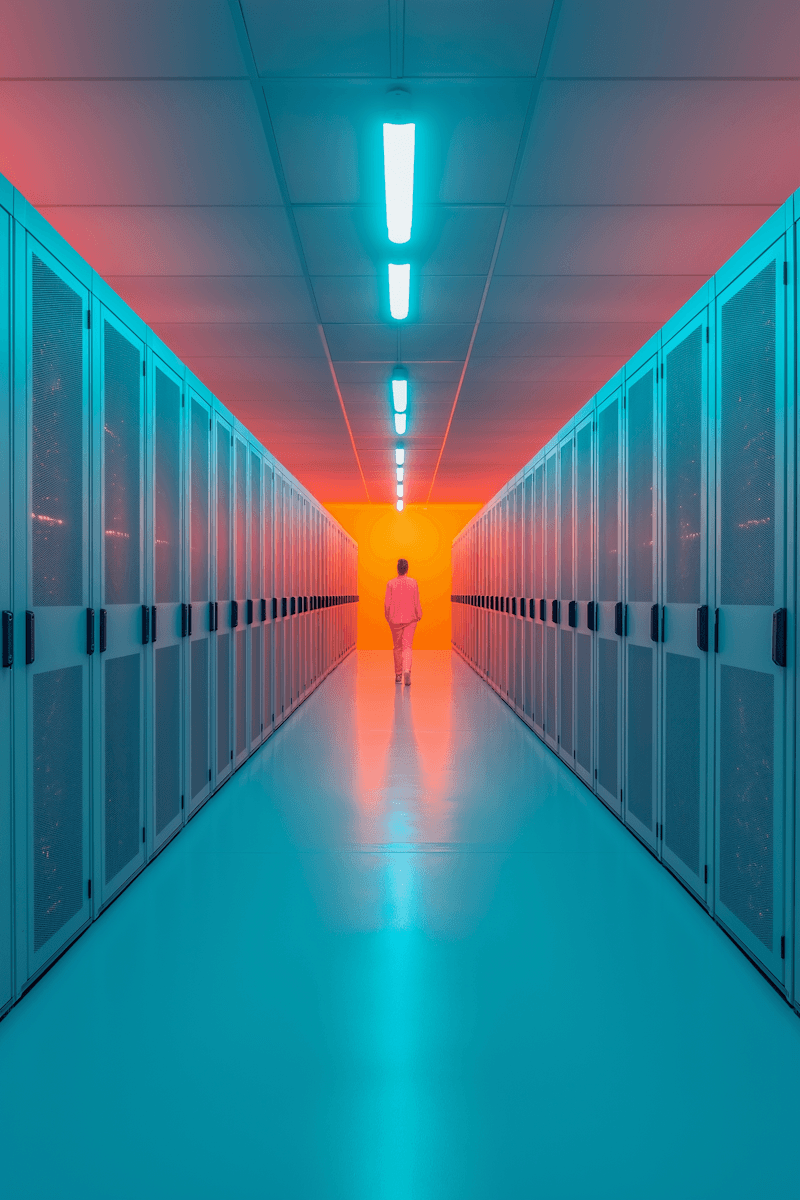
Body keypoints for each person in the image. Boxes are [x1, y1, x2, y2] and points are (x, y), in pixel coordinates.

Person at [384, 558, 422, 685]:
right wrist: (419, 614)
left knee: (397, 647)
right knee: (407, 646)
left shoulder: (390, 583)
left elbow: (387, 604)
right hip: (411, 619)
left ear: (397, 569)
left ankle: (398, 675)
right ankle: (407, 669)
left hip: (394, 620)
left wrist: (387, 616)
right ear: (407, 569)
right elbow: (416, 600)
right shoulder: (413, 582)